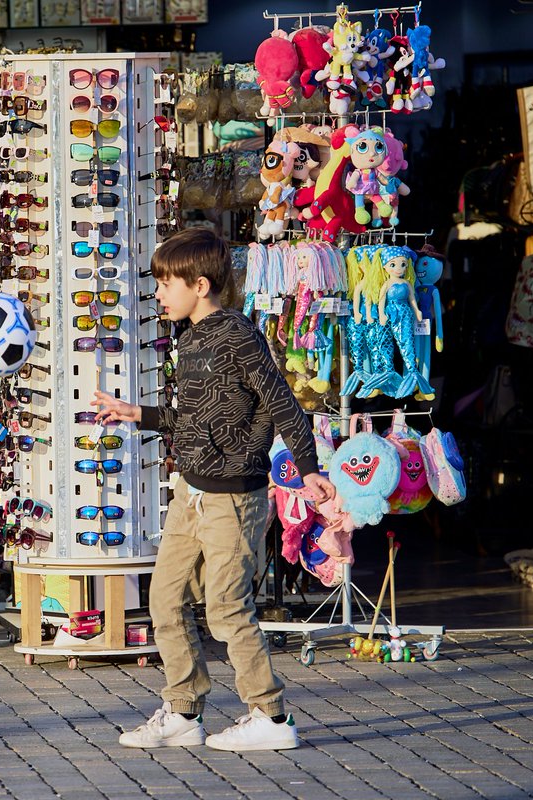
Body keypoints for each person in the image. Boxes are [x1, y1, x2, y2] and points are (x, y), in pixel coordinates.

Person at [91, 228, 335, 752]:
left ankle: (271, 717)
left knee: (226, 606)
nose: (158, 294)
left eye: (165, 284)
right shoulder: (192, 338)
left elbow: (283, 402)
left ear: (199, 285)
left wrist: (309, 467)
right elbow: (194, 417)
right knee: (166, 597)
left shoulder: (240, 336)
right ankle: (183, 711)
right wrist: (141, 414)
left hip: (232, 499)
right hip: (190, 493)